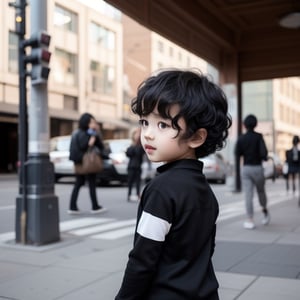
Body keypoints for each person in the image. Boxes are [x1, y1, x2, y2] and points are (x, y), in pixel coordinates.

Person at [115, 69, 232, 300]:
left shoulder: (161, 189)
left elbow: (142, 260)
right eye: (145, 122)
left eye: (163, 125)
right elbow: (205, 251)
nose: (147, 134)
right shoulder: (204, 190)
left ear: (197, 137)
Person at [235, 114, 270, 230]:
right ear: (256, 124)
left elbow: (237, 153)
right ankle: (265, 211)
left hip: (246, 169)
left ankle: (250, 220)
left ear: (244, 125)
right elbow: (264, 154)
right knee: (261, 192)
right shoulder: (259, 137)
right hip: (257, 168)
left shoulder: (241, 138)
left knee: (248, 195)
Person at [68, 112, 106, 214]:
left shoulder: (77, 132)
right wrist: (93, 138)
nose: (94, 124)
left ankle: (73, 206)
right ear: (86, 123)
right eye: (92, 122)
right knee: (91, 183)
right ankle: (95, 206)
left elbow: (101, 146)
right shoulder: (86, 133)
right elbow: (85, 146)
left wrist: (95, 133)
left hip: (79, 162)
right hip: (87, 162)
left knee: (79, 183)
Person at [126, 128, 145, 202]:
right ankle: (129, 195)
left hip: (138, 166)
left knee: (138, 182)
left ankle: (138, 195)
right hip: (131, 166)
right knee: (130, 181)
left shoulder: (141, 145)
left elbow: (140, 153)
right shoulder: (131, 145)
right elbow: (128, 154)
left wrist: (138, 141)